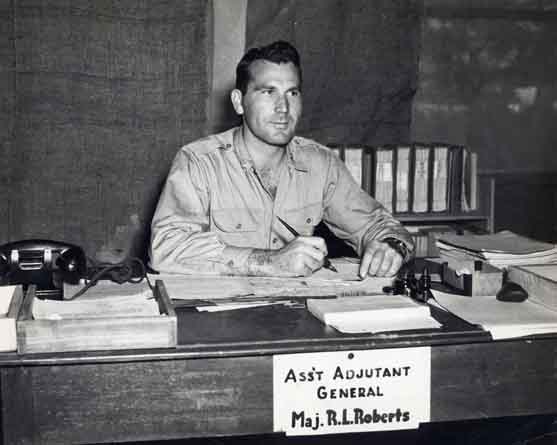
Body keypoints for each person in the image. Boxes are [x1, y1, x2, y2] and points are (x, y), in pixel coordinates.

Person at [150, 40, 414, 278]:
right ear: (239, 102)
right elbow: (166, 247)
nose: (283, 107)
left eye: (292, 93)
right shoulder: (198, 162)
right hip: (221, 319)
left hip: (293, 314)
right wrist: (270, 262)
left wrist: (392, 246)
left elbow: (376, 225)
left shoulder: (320, 163)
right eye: (268, 92)